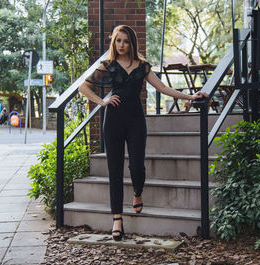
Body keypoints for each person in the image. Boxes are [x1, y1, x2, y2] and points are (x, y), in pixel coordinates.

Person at [78, 25, 208, 241]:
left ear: (132, 43)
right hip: (113, 120)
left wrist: (191, 97)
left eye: (125, 41)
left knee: (137, 165)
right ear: (114, 43)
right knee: (115, 170)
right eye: (118, 41)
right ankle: (117, 219)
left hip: (136, 120)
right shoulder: (107, 66)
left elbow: (164, 88)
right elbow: (84, 87)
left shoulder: (143, 66)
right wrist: (102, 102)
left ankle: (138, 193)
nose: (121, 45)